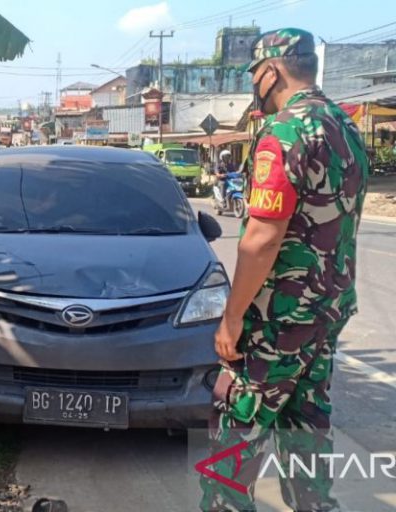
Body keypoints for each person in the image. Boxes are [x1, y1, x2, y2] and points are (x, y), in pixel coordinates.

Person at [199, 29, 368, 512]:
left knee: (235, 440)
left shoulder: (286, 131)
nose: (255, 84)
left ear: (271, 71)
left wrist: (232, 319)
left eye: (255, 74)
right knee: (306, 431)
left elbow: (261, 239)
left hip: (278, 316)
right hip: (326, 312)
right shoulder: (345, 126)